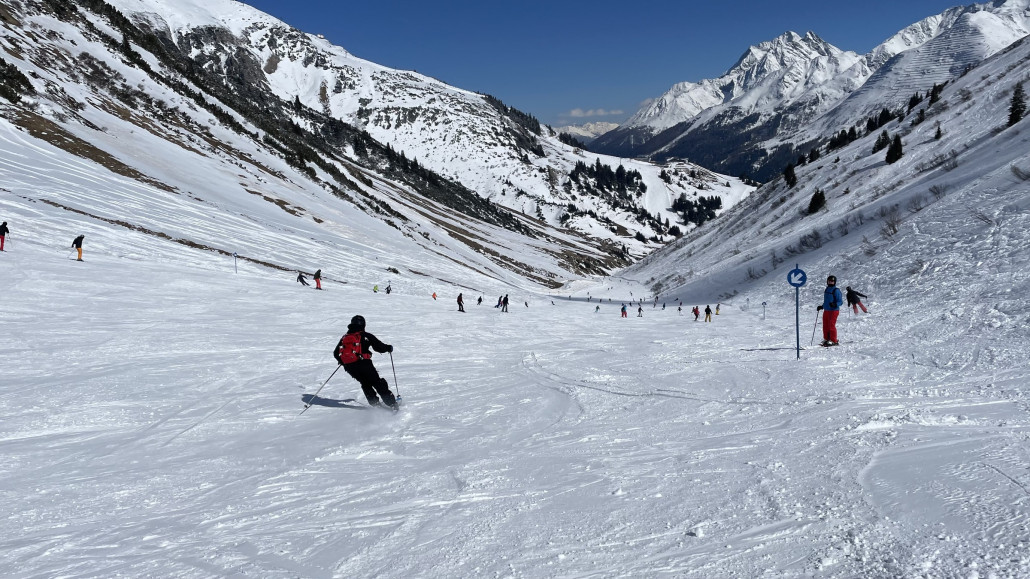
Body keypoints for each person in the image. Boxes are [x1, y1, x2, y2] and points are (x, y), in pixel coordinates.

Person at [334, 315, 398, 410]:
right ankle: (392, 404)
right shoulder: (365, 335)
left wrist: (344, 362)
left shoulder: (345, 338)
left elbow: (336, 353)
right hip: (364, 364)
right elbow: (378, 347)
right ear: (363, 325)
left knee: (365, 383)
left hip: (350, 367)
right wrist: (388, 348)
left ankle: (375, 405)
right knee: (377, 382)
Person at [817, 275, 844, 346]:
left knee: (831, 325)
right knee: (825, 325)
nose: (830, 282)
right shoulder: (827, 289)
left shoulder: (836, 290)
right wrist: (822, 306)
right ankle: (826, 339)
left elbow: (840, 301)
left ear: (834, 282)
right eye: (829, 281)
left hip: (834, 310)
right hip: (826, 310)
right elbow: (827, 300)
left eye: (832, 281)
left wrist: (835, 304)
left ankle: (833, 340)